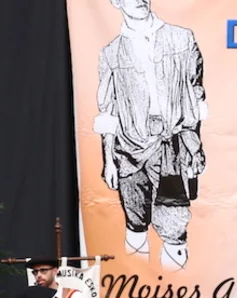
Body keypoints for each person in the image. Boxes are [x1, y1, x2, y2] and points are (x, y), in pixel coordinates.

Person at [95, 0, 207, 270]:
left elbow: (196, 96)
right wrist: (109, 161)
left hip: (171, 148)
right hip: (128, 151)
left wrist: (193, 145)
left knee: (173, 223)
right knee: (135, 222)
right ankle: (138, 286)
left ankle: (176, 287)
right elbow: (108, 109)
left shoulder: (181, 38)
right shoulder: (111, 53)